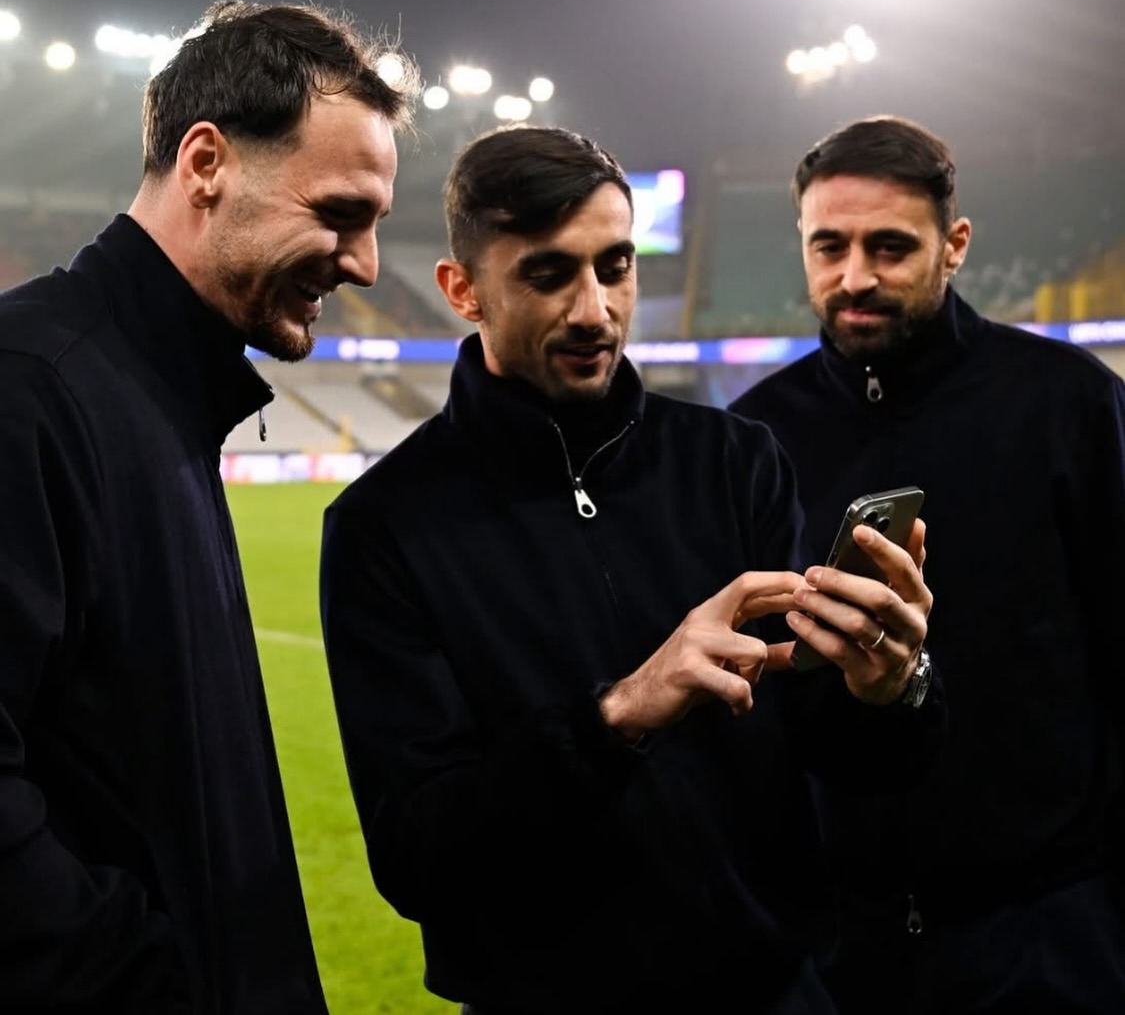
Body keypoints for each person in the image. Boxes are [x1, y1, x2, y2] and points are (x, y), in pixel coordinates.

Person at [320, 124, 942, 1015]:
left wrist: (890, 687)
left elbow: (835, 752)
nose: (593, 309)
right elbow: (417, 856)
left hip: (774, 995)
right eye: (547, 274)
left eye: (614, 267)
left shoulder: (734, 460)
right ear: (462, 290)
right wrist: (616, 715)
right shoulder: (385, 524)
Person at [0, 0, 411, 1011]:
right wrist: (153, 980)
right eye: (340, 212)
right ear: (206, 162)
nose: (364, 264)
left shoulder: (158, 390)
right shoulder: (31, 387)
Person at [729, 115, 1125, 1014]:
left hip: (1048, 936)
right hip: (837, 945)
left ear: (954, 245)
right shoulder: (753, 437)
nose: (854, 276)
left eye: (889, 246)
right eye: (827, 246)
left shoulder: (1069, 404)